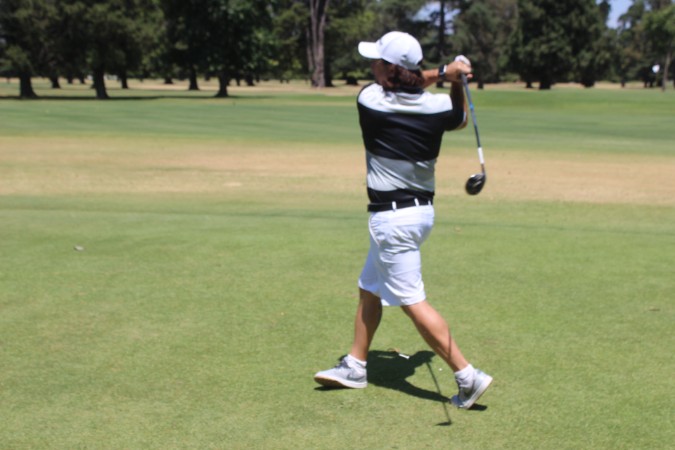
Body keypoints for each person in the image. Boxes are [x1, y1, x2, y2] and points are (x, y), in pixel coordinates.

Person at [313, 31, 492, 410]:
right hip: (418, 214)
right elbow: (459, 118)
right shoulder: (438, 107)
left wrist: (444, 72)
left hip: (392, 220)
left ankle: (467, 376)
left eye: (377, 61)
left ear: (389, 69)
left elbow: (404, 83)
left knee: (413, 302)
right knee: (369, 286)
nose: (371, 67)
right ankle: (356, 365)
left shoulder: (370, 100)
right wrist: (453, 78)